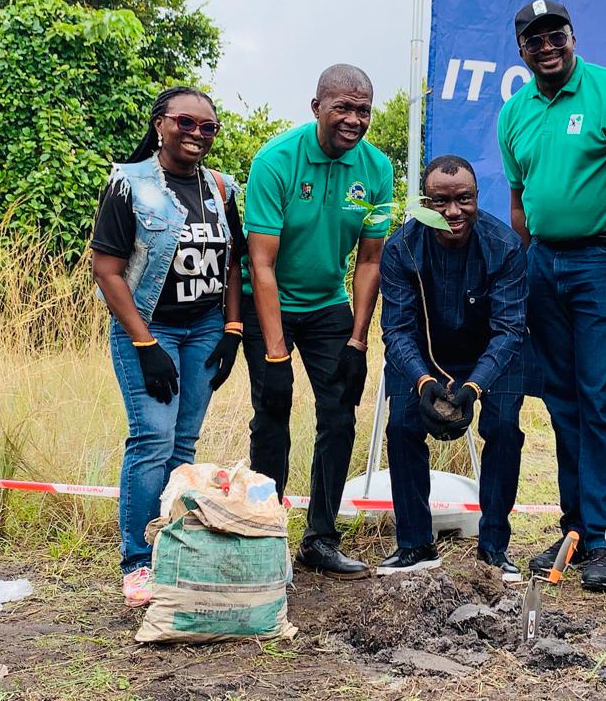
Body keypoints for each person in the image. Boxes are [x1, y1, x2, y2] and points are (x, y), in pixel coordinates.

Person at [496, 0, 606, 591]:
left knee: (602, 399)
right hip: (543, 264)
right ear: (522, 50)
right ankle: (576, 532)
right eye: (533, 40)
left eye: (555, 34)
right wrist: (525, 267)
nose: (546, 46)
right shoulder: (514, 111)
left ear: (571, 35)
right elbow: (518, 202)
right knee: (562, 400)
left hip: (604, 259)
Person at [91, 86, 244, 607]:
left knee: (183, 446)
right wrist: (145, 342)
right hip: (149, 328)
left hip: (203, 328)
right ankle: (136, 562)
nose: (197, 134)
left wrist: (232, 331)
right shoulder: (128, 185)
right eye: (186, 122)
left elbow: (233, 264)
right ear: (160, 124)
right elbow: (107, 271)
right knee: (152, 441)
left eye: (208, 127)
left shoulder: (221, 189)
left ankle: (169, 553)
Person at [242, 64, 393, 580]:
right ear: (317, 108)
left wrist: (358, 340)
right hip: (271, 302)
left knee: (339, 415)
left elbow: (369, 260)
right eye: (343, 108)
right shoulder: (275, 161)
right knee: (273, 417)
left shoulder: (376, 168)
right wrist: (277, 353)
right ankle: (264, 536)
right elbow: (260, 263)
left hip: (328, 304)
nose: (354, 119)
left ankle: (321, 539)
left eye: (363, 110)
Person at [376, 155, 537, 582]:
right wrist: (424, 381)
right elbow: (396, 330)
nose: (453, 212)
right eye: (441, 201)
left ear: (477, 198)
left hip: (492, 354)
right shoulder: (400, 249)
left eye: (463, 199)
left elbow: (509, 330)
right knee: (401, 427)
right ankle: (414, 544)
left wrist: (474, 387)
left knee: (504, 429)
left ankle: (494, 548)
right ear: (426, 202)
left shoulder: (504, 246)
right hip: (423, 358)